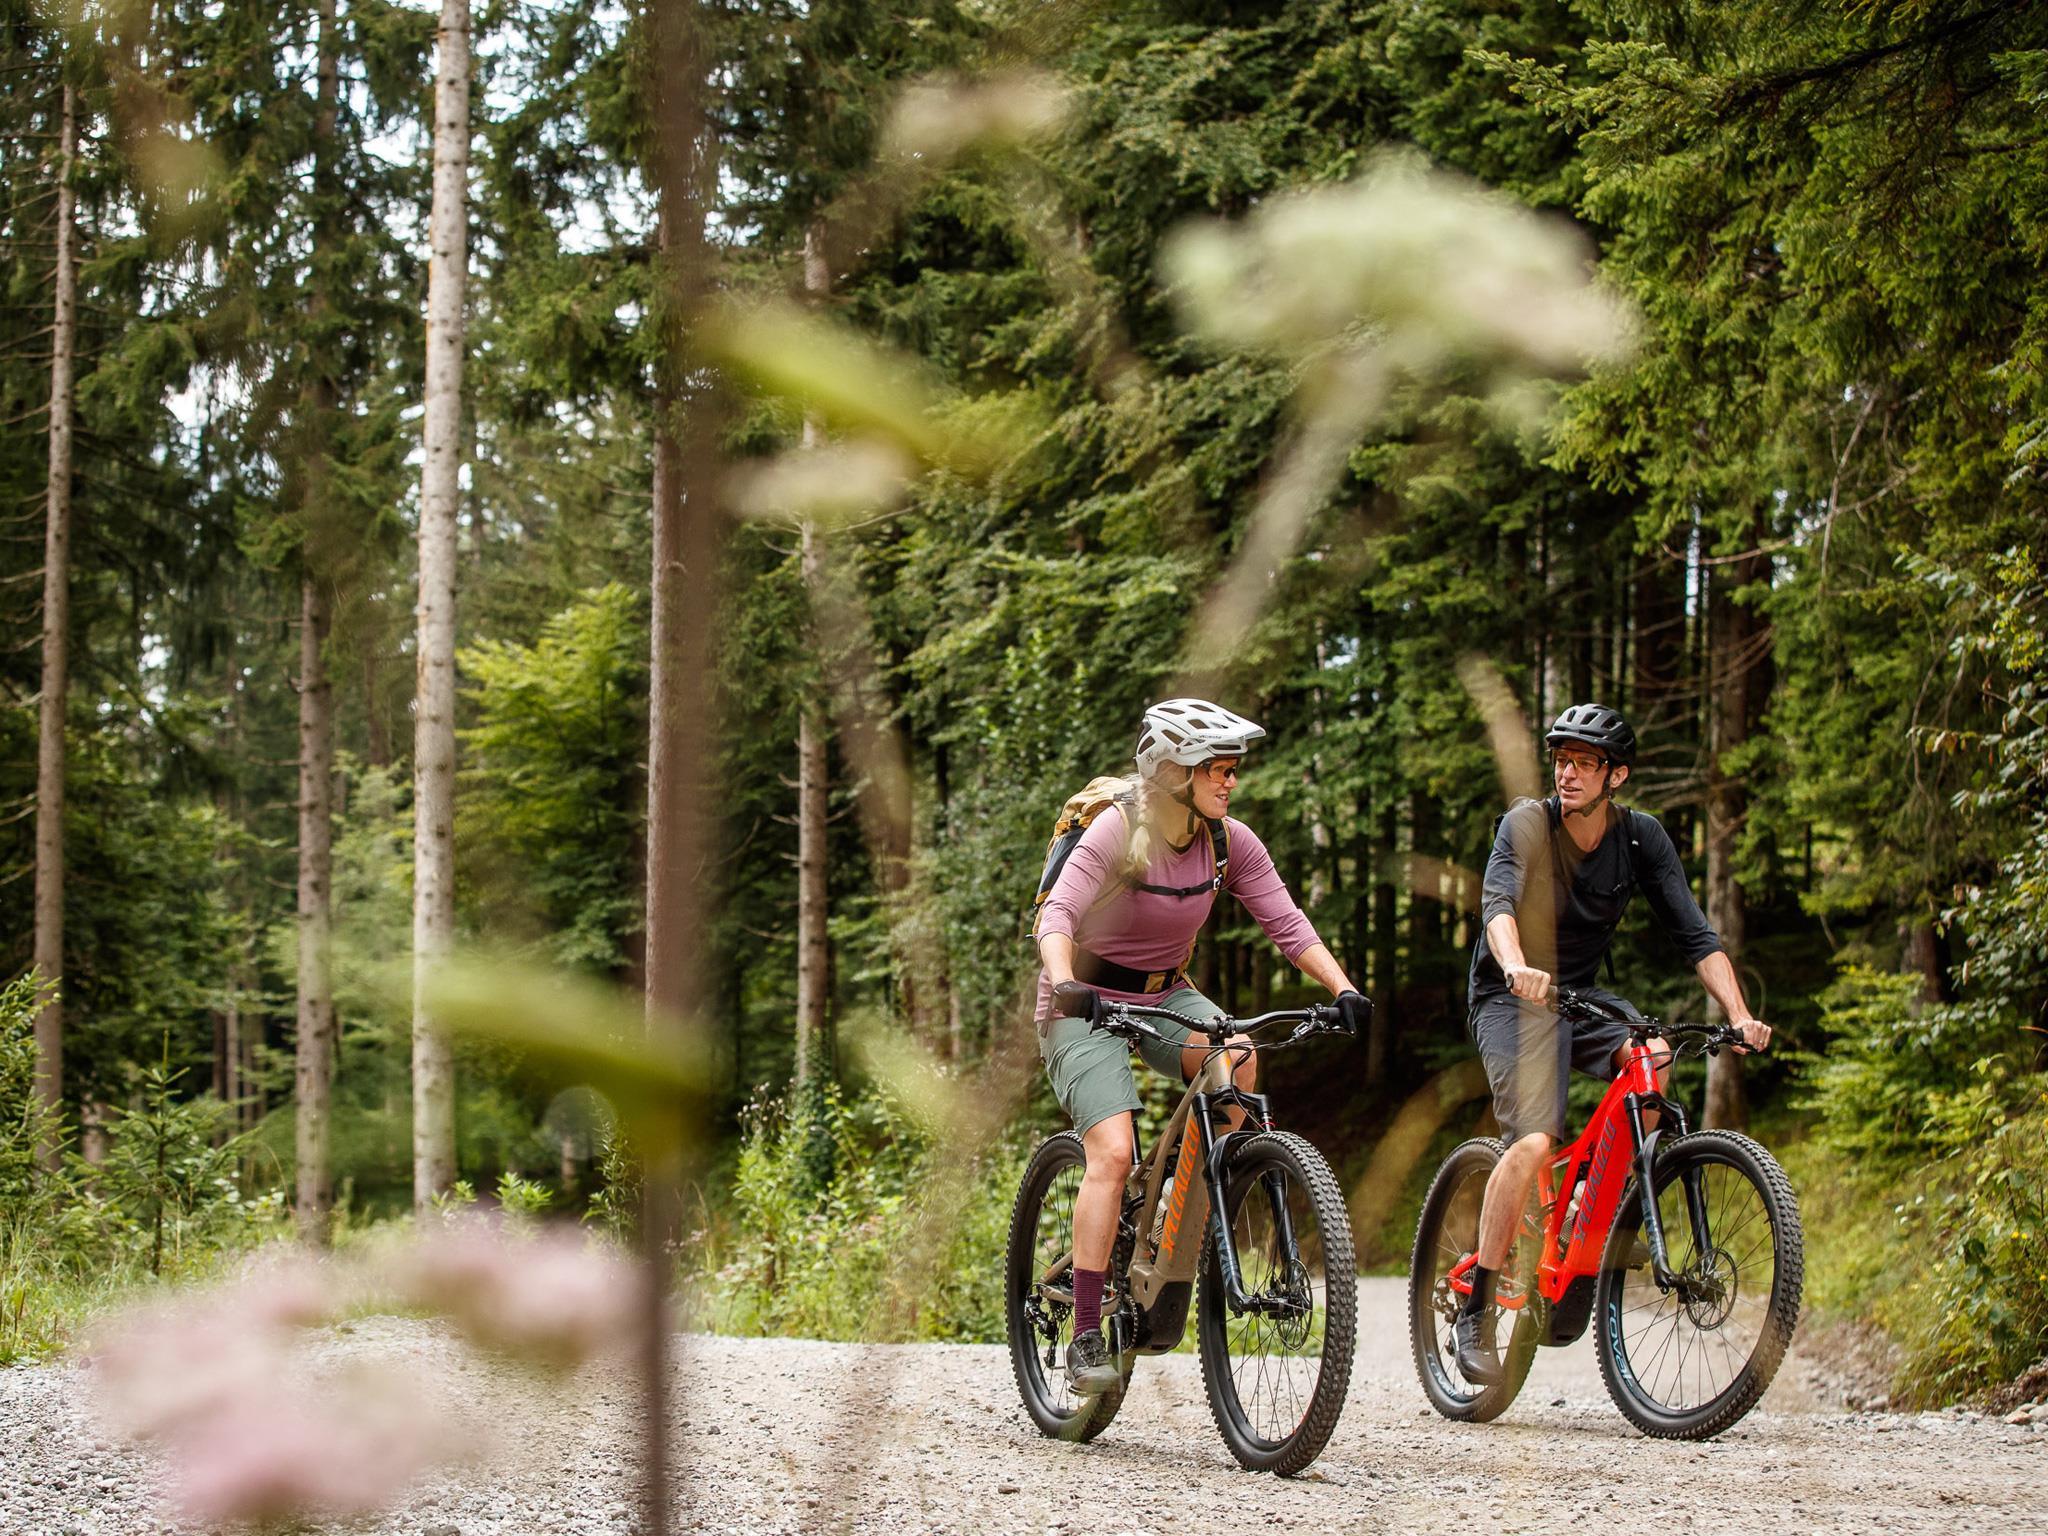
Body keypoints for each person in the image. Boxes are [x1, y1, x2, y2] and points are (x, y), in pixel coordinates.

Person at [1035, 698, 1369, 1395]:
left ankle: (1173, 1230)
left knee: (1239, 1057)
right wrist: (1067, 982)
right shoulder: (1115, 832)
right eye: (1217, 768)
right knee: (1115, 1152)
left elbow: (1287, 921)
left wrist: (1342, 988)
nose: (1231, 781)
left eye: (1232, 769)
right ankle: (1089, 1331)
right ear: (1172, 774)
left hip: (1165, 992)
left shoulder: (1228, 841)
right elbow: (1058, 913)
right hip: (1086, 1000)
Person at [1452, 701, 1772, 1386]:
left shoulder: (1641, 840)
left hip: (1581, 1000)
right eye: (1561, 759)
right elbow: (1499, 908)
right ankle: (1475, 1306)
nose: (1567, 772)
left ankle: (1585, 1228)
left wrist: (1741, 1014)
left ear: (1615, 775)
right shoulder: (1527, 824)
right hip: (1511, 998)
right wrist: (1514, 966)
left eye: (1584, 762)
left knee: (1653, 1058)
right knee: (1533, 1142)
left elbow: (1697, 936)